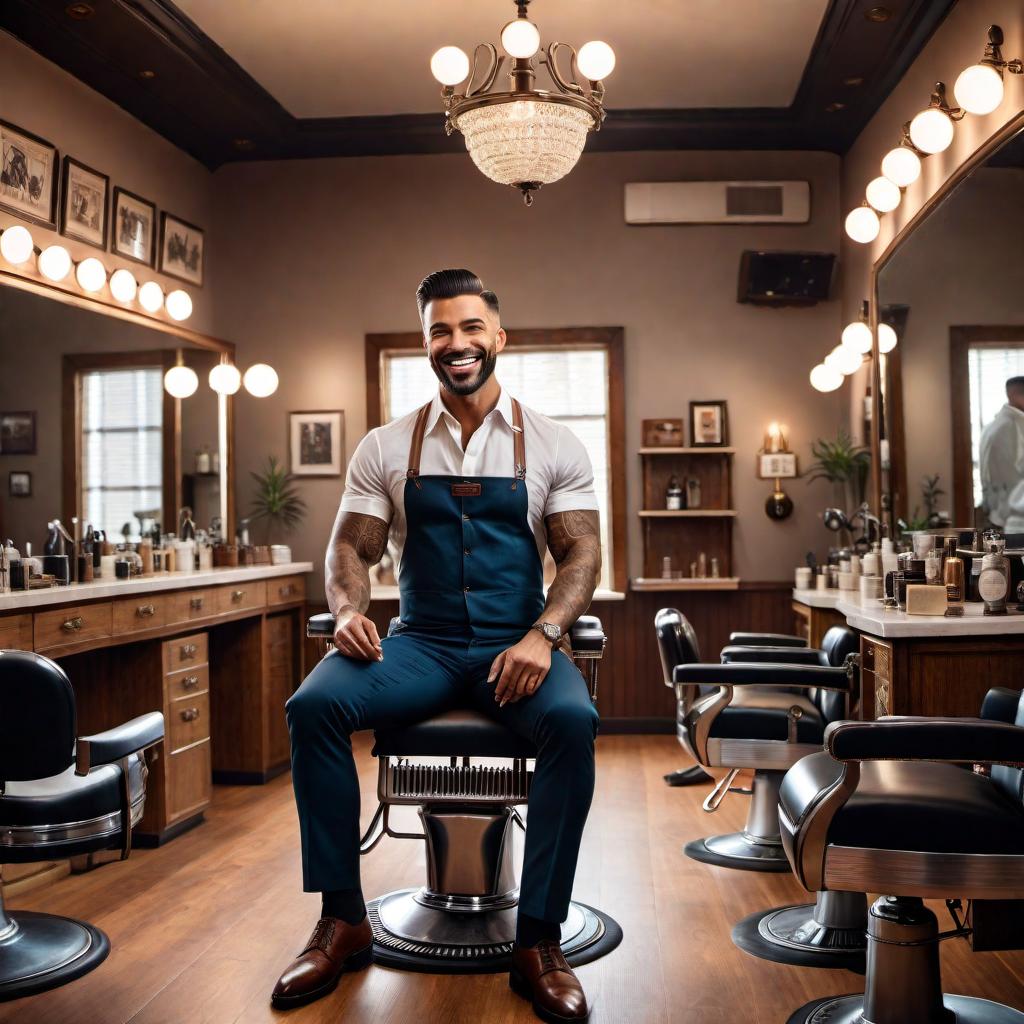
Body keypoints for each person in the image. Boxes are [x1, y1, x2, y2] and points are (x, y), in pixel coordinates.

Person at [272, 269, 602, 1023]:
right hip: (418, 644)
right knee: (313, 705)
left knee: (574, 723)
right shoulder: (389, 445)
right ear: (426, 343)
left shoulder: (551, 441)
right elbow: (349, 549)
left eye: (471, 328)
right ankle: (342, 918)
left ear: (498, 337)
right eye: (440, 332)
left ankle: (539, 938)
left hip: (511, 648)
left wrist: (543, 635)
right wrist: (348, 608)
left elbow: (583, 553)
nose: (457, 344)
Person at [979, 376, 1024, 530]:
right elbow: (1011, 477)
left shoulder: (994, 425)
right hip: (1009, 518)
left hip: (996, 512)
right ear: (1015, 395)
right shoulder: (1011, 427)